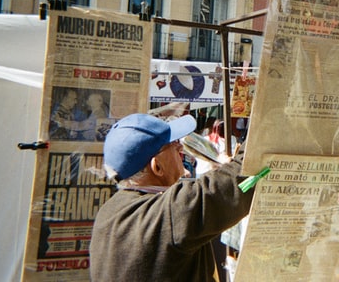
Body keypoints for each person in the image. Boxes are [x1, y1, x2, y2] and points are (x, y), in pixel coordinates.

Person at [89, 113, 254, 282]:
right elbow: (245, 177)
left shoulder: (108, 213)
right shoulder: (170, 213)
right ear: (157, 166)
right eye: (173, 144)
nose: (180, 148)